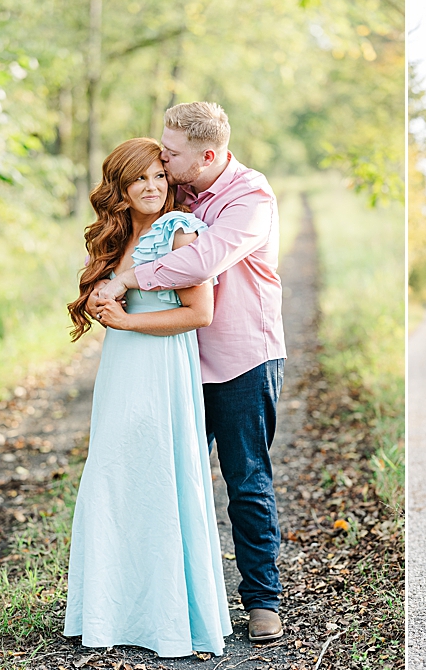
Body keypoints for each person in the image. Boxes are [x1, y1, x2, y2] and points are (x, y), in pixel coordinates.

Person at [94, 102, 287, 642]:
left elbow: (202, 263)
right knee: (170, 477)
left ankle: (262, 600)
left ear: (206, 155)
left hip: (241, 357)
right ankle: (167, 598)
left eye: (171, 153)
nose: (164, 158)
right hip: (173, 360)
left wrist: (128, 279)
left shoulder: (251, 198)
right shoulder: (179, 189)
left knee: (245, 477)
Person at [65, 137, 232, 656]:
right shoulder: (115, 239)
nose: (153, 187)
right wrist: (101, 302)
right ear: (121, 185)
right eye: (141, 178)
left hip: (161, 369)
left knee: (157, 478)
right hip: (121, 371)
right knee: (114, 477)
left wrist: (130, 320)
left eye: (161, 177)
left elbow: (199, 313)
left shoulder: (180, 232)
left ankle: (167, 620)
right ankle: (110, 613)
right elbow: (111, 301)